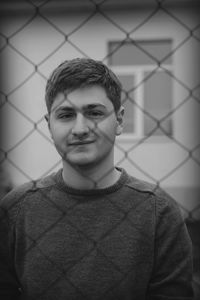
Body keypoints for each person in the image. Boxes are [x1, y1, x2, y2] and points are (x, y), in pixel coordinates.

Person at [0, 58, 193, 300]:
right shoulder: (15, 210)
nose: (80, 129)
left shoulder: (159, 213)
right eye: (66, 115)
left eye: (94, 112)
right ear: (49, 125)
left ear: (119, 120)